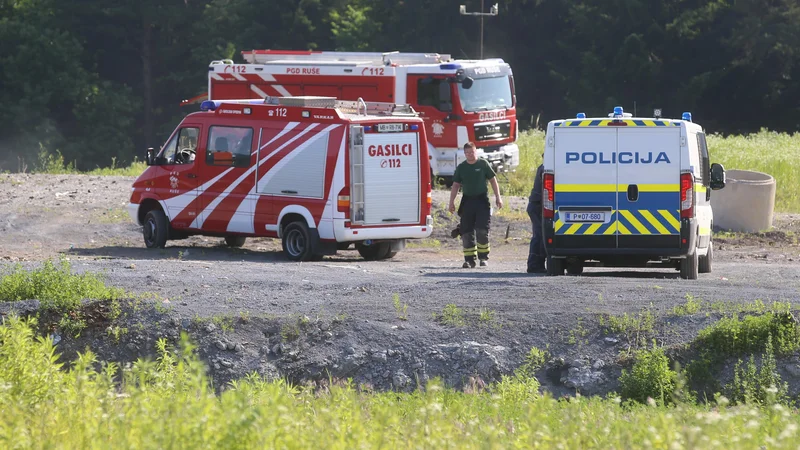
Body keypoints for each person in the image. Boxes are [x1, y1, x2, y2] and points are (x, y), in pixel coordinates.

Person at [448, 142, 503, 268]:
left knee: (482, 230)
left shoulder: (483, 164)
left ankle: (483, 258)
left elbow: (493, 180)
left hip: (482, 201)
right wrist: (451, 202)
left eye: (471, 152)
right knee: (466, 231)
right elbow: (455, 185)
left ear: (475, 151)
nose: (469, 155)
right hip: (467, 202)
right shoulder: (462, 167)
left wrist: (498, 198)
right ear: (464, 154)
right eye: (467, 153)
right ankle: (469, 260)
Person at [526, 161, 547, 273]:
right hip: (537, 205)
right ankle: (534, 265)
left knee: (539, 234)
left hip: (536, 205)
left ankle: (536, 263)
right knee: (539, 235)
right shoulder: (545, 168)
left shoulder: (543, 167)